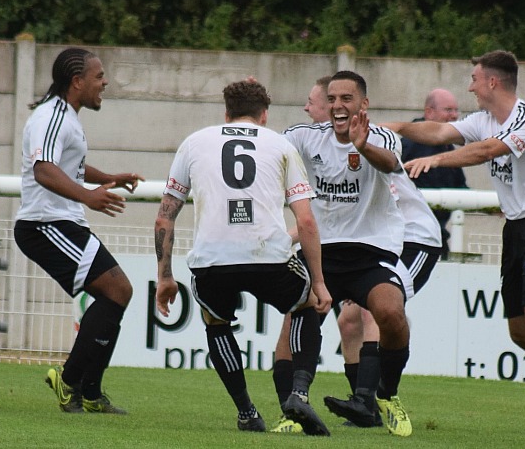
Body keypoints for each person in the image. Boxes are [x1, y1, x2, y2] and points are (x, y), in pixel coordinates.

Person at [386, 50, 525, 436]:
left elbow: (489, 150)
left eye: (473, 78)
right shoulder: (483, 119)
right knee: (520, 331)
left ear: (492, 82)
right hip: (516, 230)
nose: (468, 85)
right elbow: (438, 132)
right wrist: (396, 127)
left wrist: (436, 162)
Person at [154, 79, 333, 435]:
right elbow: (306, 221)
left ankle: (247, 412)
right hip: (268, 255)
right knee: (306, 304)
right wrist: (320, 283)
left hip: (213, 260)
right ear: (264, 115)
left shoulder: (193, 142)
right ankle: (298, 393)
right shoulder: (280, 145)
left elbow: (165, 216)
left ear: (226, 113)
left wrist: (165, 276)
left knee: (216, 323)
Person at [281, 70, 413, 437]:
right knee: (303, 312)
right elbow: (268, 150)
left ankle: (387, 394)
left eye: (347, 99)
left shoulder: (380, 136)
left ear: (363, 105)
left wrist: (362, 146)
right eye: (333, 99)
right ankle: (297, 400)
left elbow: (390, 163)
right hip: (324, 252)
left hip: (372, 250)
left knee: (390, 312)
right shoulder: (305, 137)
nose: (339, 106)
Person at [14, 47, 144, 414]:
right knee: (117, 290)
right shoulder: (51, 116)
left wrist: (109, 178)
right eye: (99, 76)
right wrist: (88, 197)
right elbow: (44, 169)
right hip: (44, 224)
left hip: (61, 223)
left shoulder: (66, 116)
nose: (105, 83)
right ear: (77, 81)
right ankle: (72, 382)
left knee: (116, 294)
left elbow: (70, 167)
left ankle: (89, 392)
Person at [325, 168, 442, 428]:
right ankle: (365, 412)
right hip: (379, 242)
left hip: (415, 241)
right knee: (348, 321)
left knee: (374, 310)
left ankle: (371, 398)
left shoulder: (372, 152)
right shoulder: (330, 162)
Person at [270, 75, 331, 434]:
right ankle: (291, 410)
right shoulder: (302, 141)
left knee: (366, 317)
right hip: (318, 248)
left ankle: (369, 401)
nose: (306, 108)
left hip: (353, 249)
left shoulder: (366, 144)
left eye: (312, 101)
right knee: (294, 321)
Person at [401, 88, 468, 260]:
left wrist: (493, 208)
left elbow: (459, 187)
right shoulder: (410, 143)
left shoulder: (446, 145)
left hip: (436, 235)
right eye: (448, 110)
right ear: (429, 113)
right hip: (410, 238)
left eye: (455, 110)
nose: (454, 115)